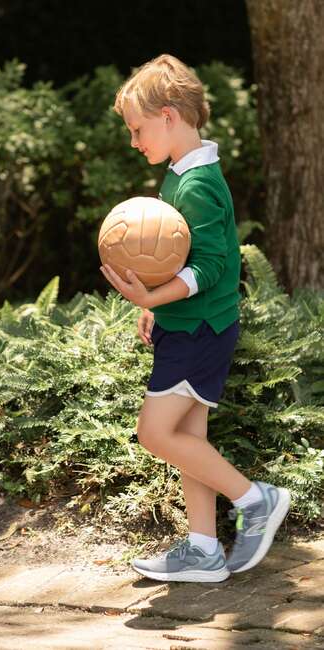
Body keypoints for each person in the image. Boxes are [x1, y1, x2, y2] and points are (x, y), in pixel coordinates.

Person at [100, 54, 290, 582]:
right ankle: (204, 549)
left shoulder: (197, 184)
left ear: (169, 115)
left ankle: (255, 500)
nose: (134, 142)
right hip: (192, 326)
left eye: (138, 130)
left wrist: (153, 299)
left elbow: (211, 267)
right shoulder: (185, 173)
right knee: (191, 438)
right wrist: (156, 305)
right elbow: (180, 260)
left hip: (200, 331)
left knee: (154, 434)